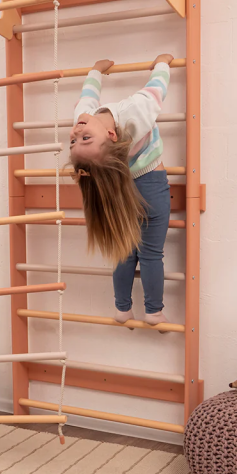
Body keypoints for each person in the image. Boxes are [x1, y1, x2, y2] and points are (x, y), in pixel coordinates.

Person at [69, 54, 174, 326]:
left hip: (118, 188)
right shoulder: (133, 115)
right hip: (150, 181)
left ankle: (122, 309)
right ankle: (154, 312)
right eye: (83, 138)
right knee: (151, 253)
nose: (76, 132)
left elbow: (87, 98)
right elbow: (155, 91)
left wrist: (95, 70)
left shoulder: (83, 120)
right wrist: (162, 64)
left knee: (125, 250)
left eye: (74, 141)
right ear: (112, 135)